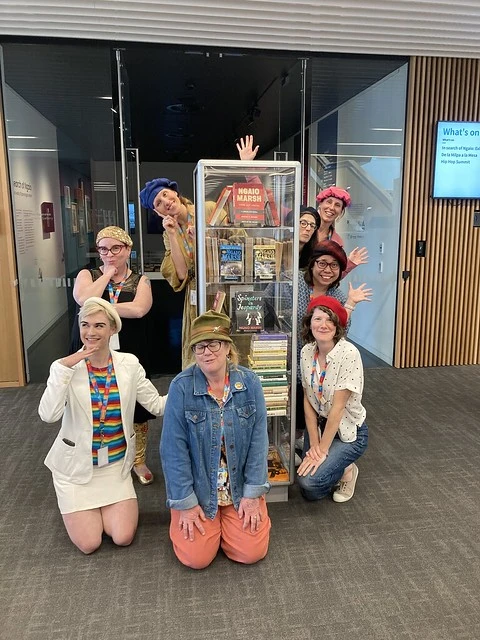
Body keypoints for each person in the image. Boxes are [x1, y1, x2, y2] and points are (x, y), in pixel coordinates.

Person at [38, 298, 167, 554]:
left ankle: (100, 509)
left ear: (112, 329)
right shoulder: (65, 368)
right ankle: (82, 507)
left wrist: (192, 384)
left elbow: (157, 405)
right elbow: (48, 415)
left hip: (115, 468)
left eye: (99, 325)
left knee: (123, 536)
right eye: (85, 325)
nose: (90, 332)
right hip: (75, 469)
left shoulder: (128, 364)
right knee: (89, 543)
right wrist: (64, 368)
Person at [159, 310, 271, 569]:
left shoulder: (250, 383)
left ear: (228, 347)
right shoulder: (181, 387)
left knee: (251, 552)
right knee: (196, 558)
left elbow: (258, 443)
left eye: (213, 344)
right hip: (198, 491)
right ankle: (207, 525)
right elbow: (172, 450)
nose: (206, 352)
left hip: (238, 489)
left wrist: (253, 494)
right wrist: (185, 503)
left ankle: (230, 524)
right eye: (199, 347)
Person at [72, 226, 156, 485]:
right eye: (104, 249)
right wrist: (107, 274)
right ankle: (96, 454)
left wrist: (101, 309)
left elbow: (140, 309)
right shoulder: (88, 274)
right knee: (95, 399)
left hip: (131, 347)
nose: (109, 254)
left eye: (116, 248)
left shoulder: (140, 280)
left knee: (136, 404)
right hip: (93, 346)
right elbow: (83, 299)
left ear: (128, 249)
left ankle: (138, 459)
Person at [296, 295, 368, 502]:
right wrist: (314, 444)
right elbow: (308, 400)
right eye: (317, 319)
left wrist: (321, 450)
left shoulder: (349, 353)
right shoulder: (306, 352)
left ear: (338, 326)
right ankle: (340, 463)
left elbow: (337, 410)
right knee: (305, 480)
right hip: (320, 424)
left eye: (330, 320)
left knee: (310, 483)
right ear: (309, 323)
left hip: (347, 431)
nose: (323, 325)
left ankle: (348, 470)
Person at [315, 186, 368, 274]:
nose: (332, 208)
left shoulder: (337, 242)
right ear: (320, 204)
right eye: (329, 202)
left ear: (341, 211)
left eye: (337, 205)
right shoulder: (305, 229)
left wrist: (350, 264)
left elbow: (332, 277)